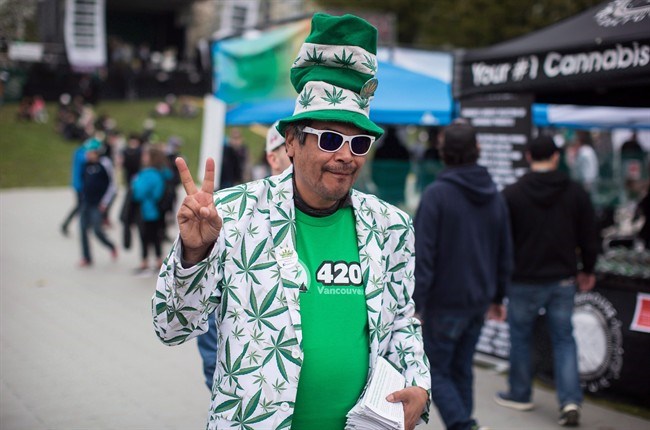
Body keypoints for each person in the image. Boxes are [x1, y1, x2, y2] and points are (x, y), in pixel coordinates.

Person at [152, 13, 430, 430]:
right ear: (293, 142)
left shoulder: (391, 227)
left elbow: (402, 320)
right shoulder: (234, 216)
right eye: (331, 139)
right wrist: (194, 253)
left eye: (359, 142)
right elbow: (171, 328)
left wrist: (419, 383)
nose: (346, 155)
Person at [413, 121, 512, 430]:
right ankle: (465, 422)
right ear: (477, 150)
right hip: (477, 301)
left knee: (436, 371)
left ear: (442, 153)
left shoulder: (436, 196)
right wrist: (497, 296)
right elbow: (504, 251)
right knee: (461, 370)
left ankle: (463, 425)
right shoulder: (494, 195)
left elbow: (423, 256)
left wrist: (416, 302)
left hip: (444, 303)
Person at [495, 135, 599, 427]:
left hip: (522, 280)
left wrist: (498, 286)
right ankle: (569, 401)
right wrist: (588, 268)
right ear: (556, 157)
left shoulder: (512, 194)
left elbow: (502, 243)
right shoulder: (575, 192)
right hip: (562, 280)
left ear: (528, 156)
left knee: (521, 338)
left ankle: (520, 393)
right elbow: (590, 236)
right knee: (564, 339)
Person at [131, 145, 171, 275]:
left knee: (145, 236)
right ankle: (159, 260)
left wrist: (135, 183)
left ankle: (145, 262)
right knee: (156, 236)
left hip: (147, 209)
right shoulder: (162, 172)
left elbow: (138, 192)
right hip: (158, 210)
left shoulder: (147, 173)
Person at [78, 138, 118, 266]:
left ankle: (111, 246)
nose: (87, 155)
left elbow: (112, 186)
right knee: (83, 229)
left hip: (98, 204)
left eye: (90, 152)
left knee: (97, 230)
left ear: (97, 152)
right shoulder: (86, 165)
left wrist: (105, 203)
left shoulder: (104, 164)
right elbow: (84, 182)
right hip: (86, 202)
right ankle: (86, 258)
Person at [61, 140, 88, 236]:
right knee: (81, 206)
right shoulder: (81, 153)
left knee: (81, 206)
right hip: (80, 185)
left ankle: (66, 224)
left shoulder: (79, 151)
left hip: (80, 184)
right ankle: (66, 224)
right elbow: (85, 160)